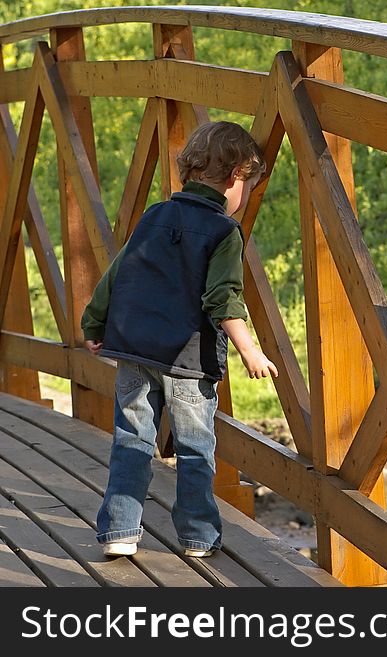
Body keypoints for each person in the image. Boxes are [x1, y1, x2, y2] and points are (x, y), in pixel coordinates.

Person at [81, 121, 278, 559]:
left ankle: (119, 531)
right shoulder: (224, 232)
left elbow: (118, 272)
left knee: (132, 440)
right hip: (188, 360)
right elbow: (222, 298)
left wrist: (94, 325)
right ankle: (197, 537)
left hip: (135, 351)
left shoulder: (155, 215)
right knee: (194, 449)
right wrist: (250, 350)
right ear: (234, 180)